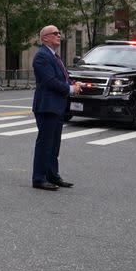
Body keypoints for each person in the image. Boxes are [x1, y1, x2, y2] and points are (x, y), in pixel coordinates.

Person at [32, 25, 82, 191]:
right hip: (47, 106)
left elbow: (61, 78)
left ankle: (52, 175)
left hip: (57, 105)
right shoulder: (42, 56)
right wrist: (69, 89)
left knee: (54, 145)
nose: (59, 35)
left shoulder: (54, 56)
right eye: (55, 33)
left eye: (59, 33)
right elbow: (49, 81)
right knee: (45, 144)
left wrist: (72, 84)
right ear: (45, 37)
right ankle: (39, 178)